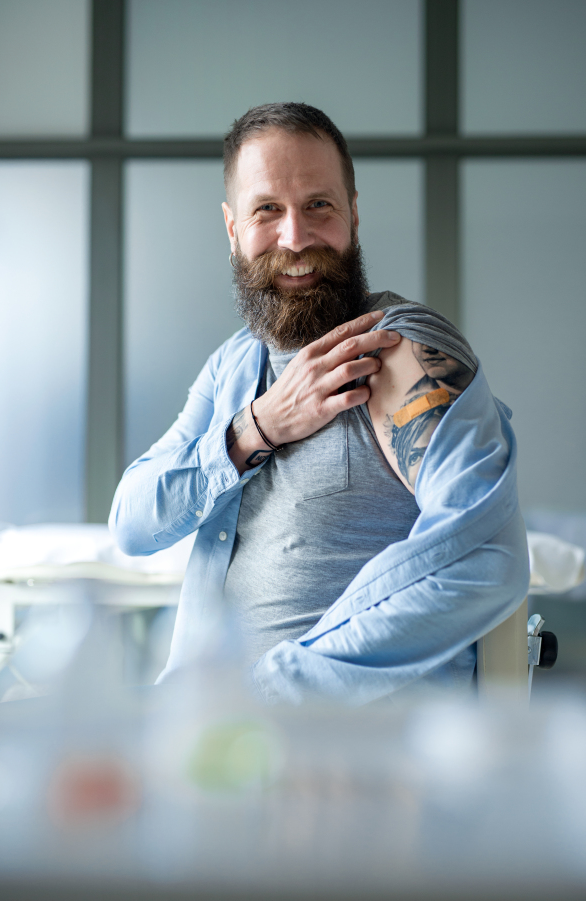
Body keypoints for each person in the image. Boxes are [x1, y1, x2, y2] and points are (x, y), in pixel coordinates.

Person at [110, 102, 529, 704]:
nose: (296, 237)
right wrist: (255, 429)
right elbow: (133, 522)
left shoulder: (398, 348)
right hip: (205, 751)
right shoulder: (234, 366)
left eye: (319, 206)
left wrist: (264, 695)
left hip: (343, 760)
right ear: (233, 229)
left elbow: (483, 564)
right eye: (267, 211)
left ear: (354, 215)